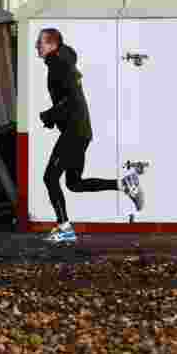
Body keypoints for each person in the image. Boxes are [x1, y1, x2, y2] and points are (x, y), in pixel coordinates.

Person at [36, 28, 144, 244]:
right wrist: (54, 116)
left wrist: (49, 115)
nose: (37, 47)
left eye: (40, 43)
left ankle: (65, 228)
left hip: (74, 131)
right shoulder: (62, 61)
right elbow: (68, 99)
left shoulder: (59, 64)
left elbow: (72, 100)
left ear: (52, 45)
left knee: (50, 178)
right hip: (79, 130)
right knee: (74, 183)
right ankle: (125, 184)